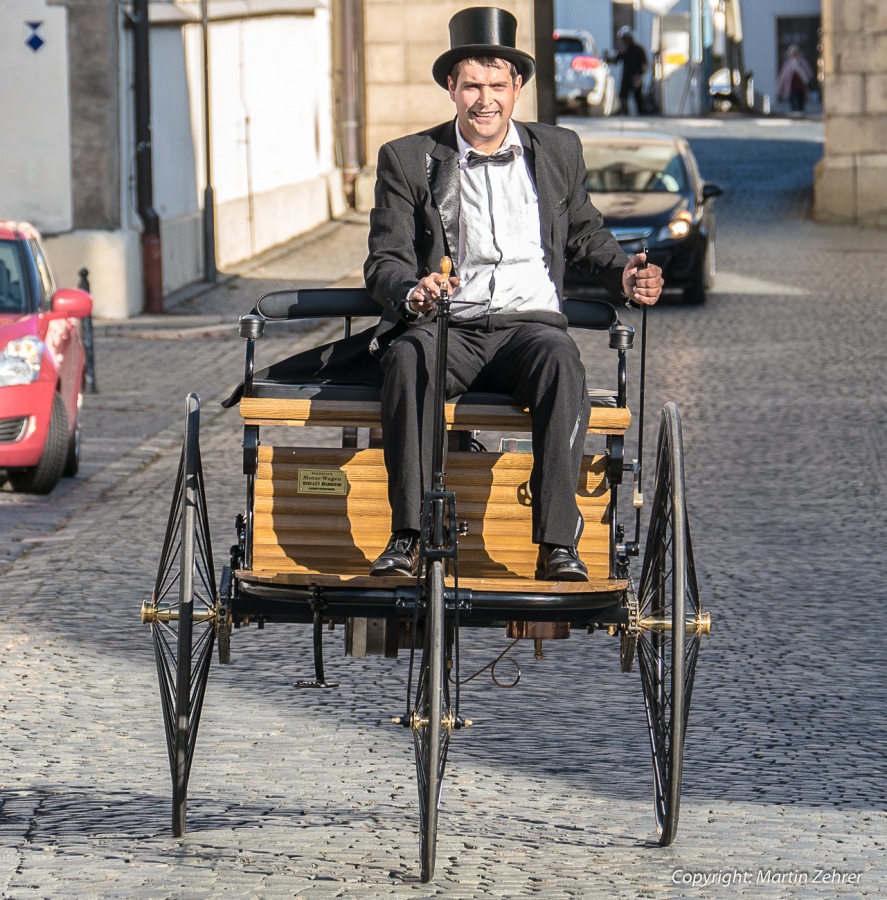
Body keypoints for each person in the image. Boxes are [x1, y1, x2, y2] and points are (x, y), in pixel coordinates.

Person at [365, 6, 663, 582]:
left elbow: (584, 233)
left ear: (518, 87)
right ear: (450, 88)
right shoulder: (407, 160)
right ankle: (407, 535)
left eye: (497, 86)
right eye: (471, 86)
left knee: (563, 362)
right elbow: (384, 262)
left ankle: (557, 544)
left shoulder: (557, 151)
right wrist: (414, 290)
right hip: (449, 327)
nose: (485, 100)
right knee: (406, 358)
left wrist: (624, 274)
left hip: (529, 330)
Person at [607, 26, 649, 116]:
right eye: (623, 39)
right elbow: (616, 61)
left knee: (638, 97)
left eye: (626, 39)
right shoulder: (623, 50)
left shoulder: (639, 50)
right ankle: (624, 113)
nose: (624, 41)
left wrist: (639, 74)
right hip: (626, 77)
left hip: (636, 76)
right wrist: (609, 58)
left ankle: (641, 114)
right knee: (623, 96)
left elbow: (645, 64)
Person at [776, 45, 814, 113]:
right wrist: (779, 90)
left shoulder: (803, 63)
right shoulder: (787, 65)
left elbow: (810, 74)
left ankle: (801, 118)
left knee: (801, 104)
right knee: (794, 104)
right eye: (793, 53)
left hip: (802, 88)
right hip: (792, 89)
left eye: (796, 52)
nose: (794, 54)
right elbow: (782, 78)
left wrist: (801, 71)